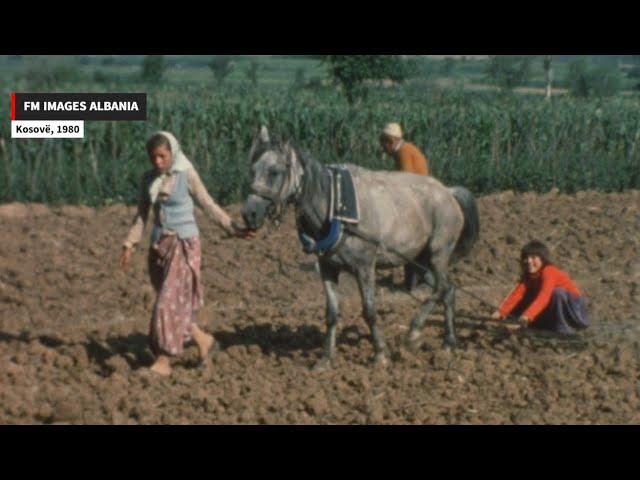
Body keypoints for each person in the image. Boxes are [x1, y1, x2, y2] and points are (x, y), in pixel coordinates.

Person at [118, 131, 252, 376]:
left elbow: (207, 203)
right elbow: (142, 215)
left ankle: (163, 361)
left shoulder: (186, 174)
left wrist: (232, 228)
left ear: (172, 153)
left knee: (166, 304)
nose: (158, 162)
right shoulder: (149, 180)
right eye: (153, 158)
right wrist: (130, 244)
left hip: (183, 244)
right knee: (175, 304)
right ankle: (205, 342)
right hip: (159, 247)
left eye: (162, 156)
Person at [491, 240, 589, 335]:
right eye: (526, 258)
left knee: (557, 293)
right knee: (527, 297)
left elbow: (544, 296)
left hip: (573, 310)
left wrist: (526, 317)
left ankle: (564, 330)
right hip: (553, 308)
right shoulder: (529, 277)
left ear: (542, 259)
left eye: (533, 257)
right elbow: (517, 295)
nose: (529, 261)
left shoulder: (549, 271)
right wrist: (500, 313)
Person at [379, 122, 430, 290]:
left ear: (390, 141)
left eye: (383, 142)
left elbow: (405, 180)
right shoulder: (404, 150)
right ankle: (413, 280)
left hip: (417, 198)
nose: (382, 147)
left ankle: (420, 280)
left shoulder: (403, 153)